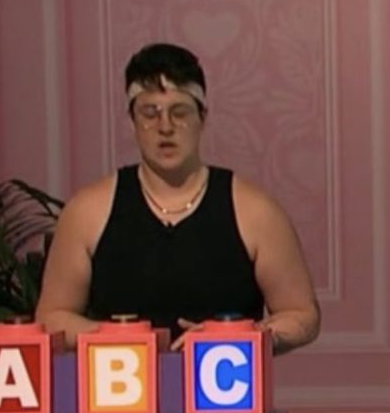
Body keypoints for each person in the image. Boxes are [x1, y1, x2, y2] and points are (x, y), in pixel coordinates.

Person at [35, 43, 320, 353]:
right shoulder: (87, 212)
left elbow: (302, 314)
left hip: (226, 382)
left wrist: (245, 335)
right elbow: (52, 316)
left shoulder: (255, 212)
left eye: (179, 112)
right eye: (150, 114)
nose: (166, 127)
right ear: (132, 120)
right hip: (119, 382)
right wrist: (124, 337)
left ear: (202, 117)